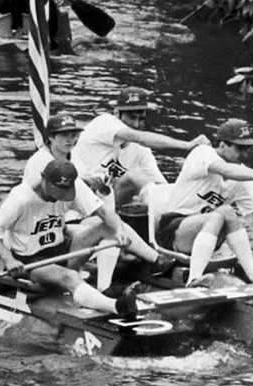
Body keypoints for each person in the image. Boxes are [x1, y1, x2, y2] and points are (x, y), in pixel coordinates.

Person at [24, 110, 170, 291]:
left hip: (60, 233)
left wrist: (117, 228)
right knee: (99, 222)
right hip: (35, 244)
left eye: (73, 135)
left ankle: (151, 263)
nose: (70, 140)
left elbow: (93, 201)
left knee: (108, 223)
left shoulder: (71, 157)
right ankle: (97, 286)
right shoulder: (39, 162)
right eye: (63, 136)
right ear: (51, 138)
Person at [0, 159, 142, 318]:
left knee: (107, 227)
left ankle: (103, 289)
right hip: (32, 261)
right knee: (71, 276)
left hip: (62, 249)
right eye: (59, 193)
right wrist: (9, 260)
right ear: (46, 182)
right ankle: (117, 306)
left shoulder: (76, 186)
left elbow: (104, 213)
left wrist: (119, 231)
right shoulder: (20, 198)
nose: (62, 197)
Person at [156, 119, 253, 285]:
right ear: (222, 145)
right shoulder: (203, 153)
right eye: (239, 148)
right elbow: (224, 169)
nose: (244, 154)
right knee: (223, 212)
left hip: (208, 236)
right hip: (173, 230)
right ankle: (194, 278)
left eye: (247, 148)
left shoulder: (242, 176)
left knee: (227, 213)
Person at [72, 91, 208, 209]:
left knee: (147, 190)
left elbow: (160, 186)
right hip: (79, 193)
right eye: (132, 117)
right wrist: (187, 145)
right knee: (133, 178)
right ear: (117, 113)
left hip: (106, 199)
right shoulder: (104, 122)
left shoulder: (142, 150)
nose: (136, 124)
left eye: (140, 119)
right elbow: (139, 137)